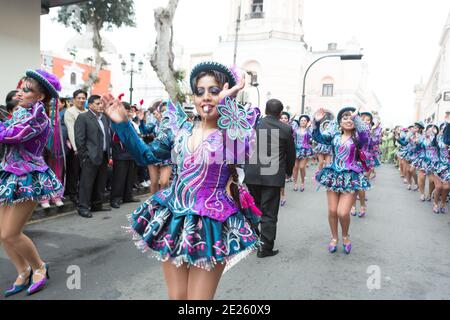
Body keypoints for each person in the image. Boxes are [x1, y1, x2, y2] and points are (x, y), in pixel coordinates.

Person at [103, 61, 261, 300]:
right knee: (177, 297)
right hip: (174, 218)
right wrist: (123, 124)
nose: (206, 97)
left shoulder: (233, 133)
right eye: (200, 91)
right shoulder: (180, 130)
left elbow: (242, 149)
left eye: (215, 91)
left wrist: (227, 105)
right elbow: (148, 156)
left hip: (211, 222)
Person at [1, 69, 64, 297]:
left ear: (40, 97)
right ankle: (23, 270)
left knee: (10, 233)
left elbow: (10, 136)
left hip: (30, 178)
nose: (20, 91)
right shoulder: (21, 112)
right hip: (9, 175)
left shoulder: (38, 117)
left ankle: (39, 267)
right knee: (2, 233)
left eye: (27, 89)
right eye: (21, 86)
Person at [312, 107, 370, 254]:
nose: (348, 120)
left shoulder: (358, 139)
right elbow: (318, 137)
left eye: (351, 118)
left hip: (351, 177)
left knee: (343, 212)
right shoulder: (334, 136)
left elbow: (365, 134)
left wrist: (357, 118)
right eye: (345, 118)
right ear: (339, 122)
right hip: (333, 176)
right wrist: (317, 122)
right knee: (332, 210)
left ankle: (345, 236)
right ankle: (334, 238)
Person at [244, 99, 296, 258]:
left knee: (254, 209)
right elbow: (291, 154)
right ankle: (265, 248)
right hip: (272, 176)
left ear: (266, 110)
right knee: (269, 213)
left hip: (252, 173)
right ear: (280, 113)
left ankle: (252, 240)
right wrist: (288, 172)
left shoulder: (254, 125)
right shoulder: (286, 129)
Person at [74, 95, 111, 218]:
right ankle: (83, 207)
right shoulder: (83, 117)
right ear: (90, 105)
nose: (101, 105)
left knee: (100, 182)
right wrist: (85, 155)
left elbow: (106, 136)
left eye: (101, 103)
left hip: (103, 155)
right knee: (86, 183)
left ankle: (97, 204)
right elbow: (79, 139)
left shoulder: (104, 118)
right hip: (90, 156)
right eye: (97, 103)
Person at [110, 102, 140, 209]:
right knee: (119, 178)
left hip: (131, 153)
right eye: (126, 110)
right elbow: (115, 138)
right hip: (120, 153)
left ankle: (128, 196)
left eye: (128, 110)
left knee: (129, 177)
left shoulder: (129, 122)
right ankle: (115, 199)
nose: (128, 112)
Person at [64, 89, 88, 204]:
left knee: (84, 173)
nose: (81, 100)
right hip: (77, 149)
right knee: (74, 172)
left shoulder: (87, 111)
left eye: (83, 98)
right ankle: (73, 195)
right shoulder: (70, 112)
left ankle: (82, 194)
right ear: (74, 99)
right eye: (79, 98)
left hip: (88, 148)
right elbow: (71, 130)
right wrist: (76, 148)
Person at [292, 114, 314, 192]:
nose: (303, 121)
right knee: (295, 167)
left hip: (305, 150)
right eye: (301, 120)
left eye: (305, 120)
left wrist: (309, 126)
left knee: (301, 167)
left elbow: (312, 136)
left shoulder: (309, 130)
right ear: (299, 121)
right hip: (296, 150)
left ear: (307, 122)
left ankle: (302, 182)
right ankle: (295, 183)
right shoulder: (295, 129)